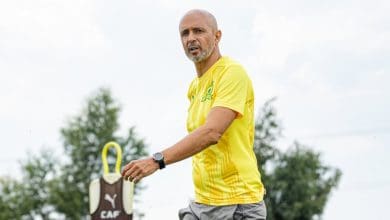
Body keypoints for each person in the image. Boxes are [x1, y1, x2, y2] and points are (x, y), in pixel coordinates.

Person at [121, 9, 266, 220]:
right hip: (204, 203)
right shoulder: (195, 87)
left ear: (217, 36)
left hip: (237, 204)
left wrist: (156, 161)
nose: (191, 38)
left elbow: (211, 133)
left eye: (198, 31)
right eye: (185, 33)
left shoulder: (232, 73)